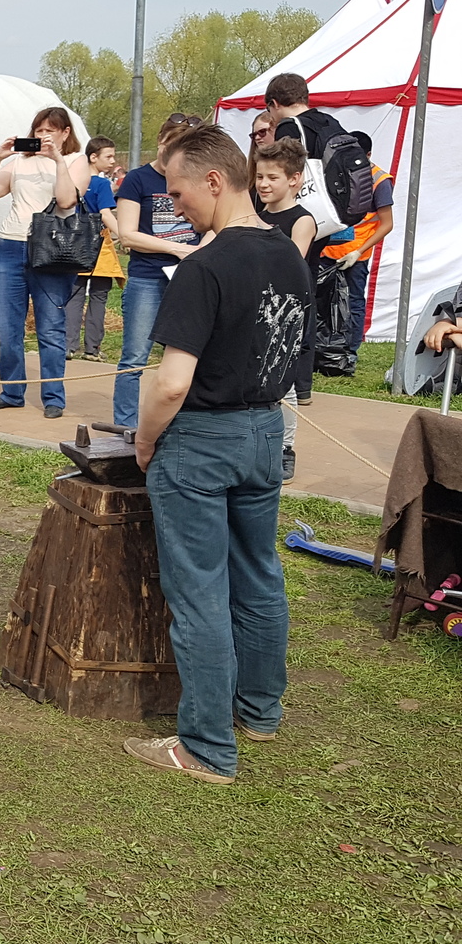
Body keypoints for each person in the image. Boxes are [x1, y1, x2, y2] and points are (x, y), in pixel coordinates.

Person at [125, 126, 310, 784]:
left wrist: (145, 439)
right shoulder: (289, 254)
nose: (175, 208)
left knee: (200, 591)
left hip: (203, 441)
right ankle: (258, 711)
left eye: (177, 193)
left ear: (212, 180)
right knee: (259, 574)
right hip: (265, 430)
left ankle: (205, 745)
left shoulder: (204, 266)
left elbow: (172, 382)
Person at [0, 108, 89, 418]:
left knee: (50, 327)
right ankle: (11, 391)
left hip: (51, 249)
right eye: (39, 130)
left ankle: (53, 397)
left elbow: (66, 201)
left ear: (66, 132)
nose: (43, 136)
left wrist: (58, 160)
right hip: (10, 245)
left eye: (51, 130)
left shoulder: (77, 161)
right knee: (8, 328)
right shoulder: (19, 162)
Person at [110, 113, 206, 427]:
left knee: (189, 358)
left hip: (189, 277)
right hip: (148, 278)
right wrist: (178, 248)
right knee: (134, 358)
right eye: (170, 145)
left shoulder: (198, 177)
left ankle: (181, 423)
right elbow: (127, 235)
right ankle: (125, 426)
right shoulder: (138, 179)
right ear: (160, 142)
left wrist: (199, 252)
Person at [252, 138, 317, 483]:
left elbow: (290, 262)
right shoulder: (253, 215)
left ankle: (285, 448)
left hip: (287, 313)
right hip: (255, 307)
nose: (263, 184)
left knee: (284, 382)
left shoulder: (302, 220)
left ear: (294, 179)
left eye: (272, 177)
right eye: (260, 176)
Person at [321, 134, 395, 359]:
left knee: (353, 300)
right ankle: (323, 347)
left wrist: (358, 251)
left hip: (356, 253)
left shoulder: (379, 180)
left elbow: (387, 223)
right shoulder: (333, 171)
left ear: (368, 155)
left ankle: (349, 351)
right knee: (322, 298)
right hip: (327, 249)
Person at [65, 136, 124, 362]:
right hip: (100, 246)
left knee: (74, 296)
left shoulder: (71, 181)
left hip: (74, 245)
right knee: (99, 297)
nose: (112, 161)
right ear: (93, 157)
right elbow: (106, 214)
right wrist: (124, 234)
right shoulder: (100, 184)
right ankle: (92, 348)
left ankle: (68, 346)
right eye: (108, 156)